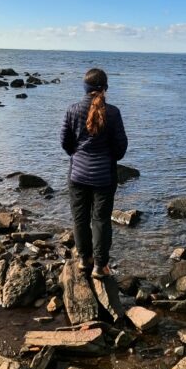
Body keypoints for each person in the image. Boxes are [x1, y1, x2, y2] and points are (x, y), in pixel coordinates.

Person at [60, 67, 128, 278]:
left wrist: (78, 154)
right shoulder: (113, 113)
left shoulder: (72, 110)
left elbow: (65, 141)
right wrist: (109, 157)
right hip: (104, 176)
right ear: (105, 88)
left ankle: (83, 260)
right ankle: (100, 266)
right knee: (101, 220)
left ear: (85, 88)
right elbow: (121, 146)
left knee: (80, 218)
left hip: (78, 174)